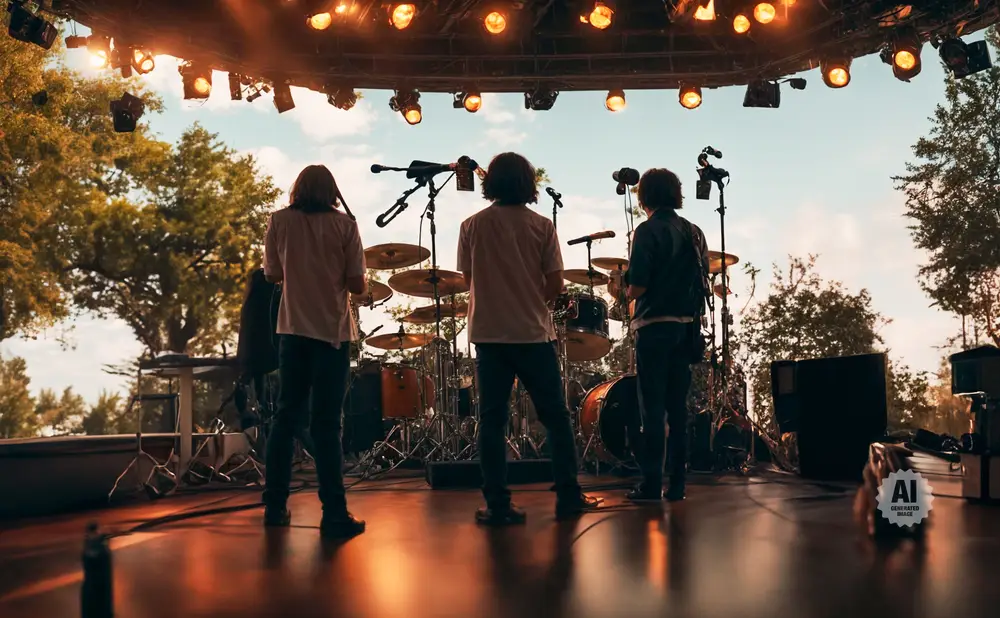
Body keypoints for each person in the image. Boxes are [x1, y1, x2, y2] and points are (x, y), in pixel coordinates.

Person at [457, 152, 601, 525]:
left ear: (491, 184)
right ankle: (569, 496)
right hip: (533, 334)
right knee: (555, 416)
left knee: (492, 420)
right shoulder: (542, 226)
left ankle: (497, 505)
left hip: (488, 333)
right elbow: (554, 287)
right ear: (527, 183)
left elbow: (467, 282)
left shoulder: (471, 226)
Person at [262, 164, 367, 538]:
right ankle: (334, 513)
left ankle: (274, 508)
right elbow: (357, 286)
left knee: (286, 418)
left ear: (298, 189)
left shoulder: (278, 221)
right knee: (327, 424)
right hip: (331, 334)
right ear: (333, 192)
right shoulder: (345, 226)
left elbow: (272, 274)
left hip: (292, 331)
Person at [625, 168, 709, 503]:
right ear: (676, 194)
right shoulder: (695, 232)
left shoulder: (647, 231)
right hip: (687, 328)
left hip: (654, 328)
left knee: (653, 411)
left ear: (644, 196)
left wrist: (623, 287)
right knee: (679, 409)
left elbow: (638, 287)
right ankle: (677, 485)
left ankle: (649, 484)